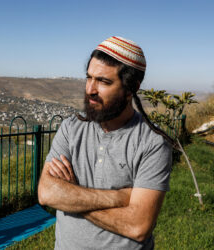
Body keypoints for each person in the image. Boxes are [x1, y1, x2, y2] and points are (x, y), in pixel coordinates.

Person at [38, 36, 174, 249]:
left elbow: (138, 226)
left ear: (131, 89)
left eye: (103, 81)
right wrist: (120, 197)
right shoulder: (71, 129)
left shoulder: (153, 144)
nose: (90, 89)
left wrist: (71, 194)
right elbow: (46, 193)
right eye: (89, 77)